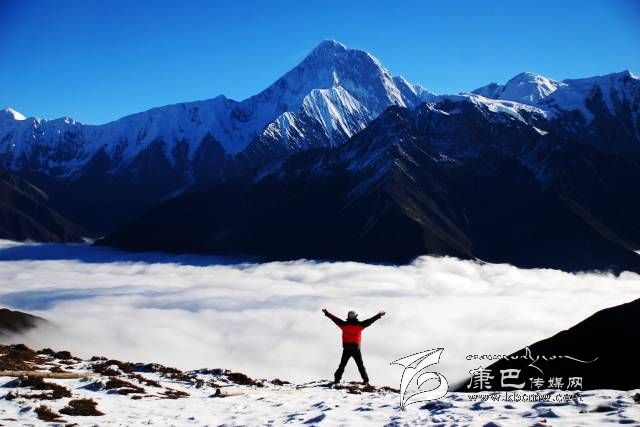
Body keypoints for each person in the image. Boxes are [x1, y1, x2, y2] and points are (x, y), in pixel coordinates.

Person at [322, 308, 385, 385]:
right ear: (355, 316)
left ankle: (337, 380)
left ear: (348, 317)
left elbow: (335, 319)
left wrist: (327, 313)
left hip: (347, 349)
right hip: (356, 349)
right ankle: (366, 381)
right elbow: (370, 320)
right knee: (360, 366)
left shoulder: (343, 325)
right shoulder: (360, 325)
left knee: (342, 365)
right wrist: (378, 315)